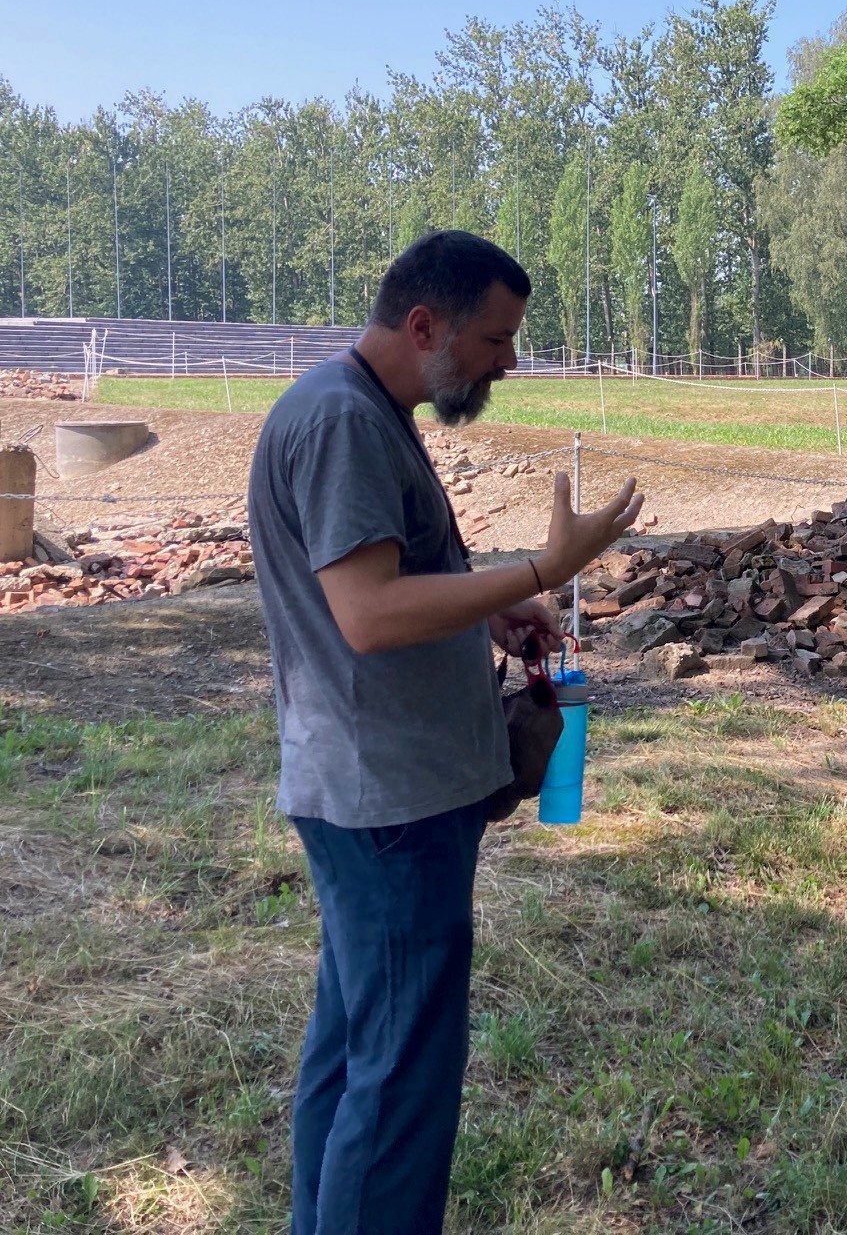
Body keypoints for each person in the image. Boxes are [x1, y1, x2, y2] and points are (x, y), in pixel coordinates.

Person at [249, 231, 645, 1235]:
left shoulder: (363, 408)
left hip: (373, 793)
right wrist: (538, 573)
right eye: (495, 339)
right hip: (390, 804)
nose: (509, 361)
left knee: (354, 1054)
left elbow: (388, 585)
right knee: (398, 1085)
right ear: (424, 325)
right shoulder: (343, 422)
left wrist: (484, 609)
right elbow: (368, 615)